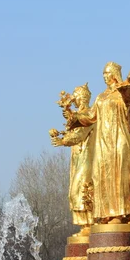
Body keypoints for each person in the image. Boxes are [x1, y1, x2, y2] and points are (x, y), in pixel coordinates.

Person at [67, 62, 130, 223]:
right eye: (103, 74)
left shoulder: (121, 93)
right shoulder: (101, 97)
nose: (105, 77)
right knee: (101, 174)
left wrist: (129, 82)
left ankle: (120, 213)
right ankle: (106, 212)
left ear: (114, 74)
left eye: (107, 73)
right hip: (103, 143)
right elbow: (90, 116)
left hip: (119, 139)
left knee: (118, 174)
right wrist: (73, 116)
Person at [50, 83, 95, 233]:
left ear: (81, 97)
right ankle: (85, 225)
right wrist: (62, 135)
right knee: (76, 189)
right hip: (79, 158)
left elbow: (79, 135)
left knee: (81, 188)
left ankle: (89, 224)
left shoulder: (89, 114)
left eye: (75, 96)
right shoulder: (80, 115)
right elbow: (75, 132)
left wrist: (64, 141)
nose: (72, 98)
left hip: (87, 158)